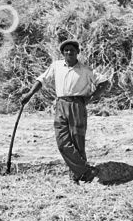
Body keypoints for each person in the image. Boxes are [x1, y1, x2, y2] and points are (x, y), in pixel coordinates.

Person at [19, 39, 110, 184]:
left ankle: (77, 176)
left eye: (72, 50)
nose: (69, 52)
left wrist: (90, 99)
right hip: (60, 104)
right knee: (62, 142)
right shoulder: (56, 66)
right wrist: (29, 95)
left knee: (77, 140)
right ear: (62, 53)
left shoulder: (85, 70)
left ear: (77, 52)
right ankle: (85, 171)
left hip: (77, 105)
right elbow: (41, 80)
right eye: (66, 50)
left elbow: (104, 83)